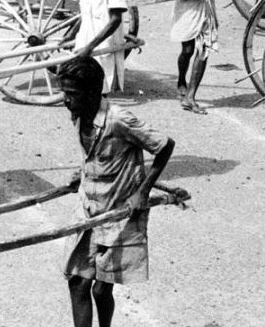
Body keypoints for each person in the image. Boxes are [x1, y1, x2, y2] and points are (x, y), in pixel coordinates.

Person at [58, 56, 174, 327]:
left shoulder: (119, 119)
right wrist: (83, 173)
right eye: (64, 93)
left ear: (92, 93)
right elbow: (96, 154)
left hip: (117, 213)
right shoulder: (77, 114)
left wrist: (142, 193)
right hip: (88, 208)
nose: (66, 100)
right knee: (77, 282)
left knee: (101, 288)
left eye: (71, 94)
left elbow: (164, 145)